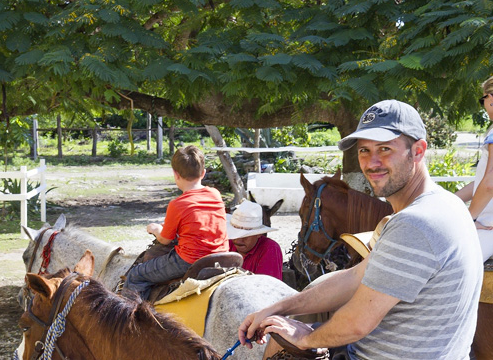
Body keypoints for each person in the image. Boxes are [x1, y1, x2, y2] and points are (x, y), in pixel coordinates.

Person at [238, 100, 482, 360]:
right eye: (364, 150)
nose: (372, 162)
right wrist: (280, 307)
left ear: (418, 151)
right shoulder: (448, 203)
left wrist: (304, 337)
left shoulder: (414, 224)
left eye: (385, 149)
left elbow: (357, 323)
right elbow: (355, 277)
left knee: (282, 347)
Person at [123, 145, 229, 300]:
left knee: (136, 275)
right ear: (203, 173)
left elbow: (165, 239)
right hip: (221, 256)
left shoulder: (177, 204)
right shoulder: (215, 194)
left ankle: (133, 321)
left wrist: (155, 229)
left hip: (190, 260)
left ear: (176, 174)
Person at [456, 75, 493, 262]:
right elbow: (481, 182)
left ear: (490, 98)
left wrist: (468, 219)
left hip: (488, 226)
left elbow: (490, 182)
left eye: (483, 100)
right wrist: (450, 201)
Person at [227, 200, 283, 280]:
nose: (238, 240)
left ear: (258, 234)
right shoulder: (227, 243)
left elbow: (266, 287)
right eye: (235, 234)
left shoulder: (270, 248)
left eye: (246, 235)